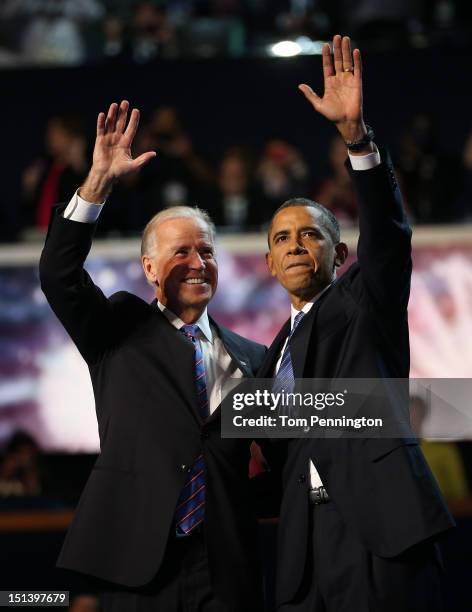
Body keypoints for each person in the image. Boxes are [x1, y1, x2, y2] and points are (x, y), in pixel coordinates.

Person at [39, 100, 266, 611]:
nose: (197, 262)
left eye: (206, 251)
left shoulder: (254, 357)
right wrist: (97, 183)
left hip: (228, 570)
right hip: (139, 568)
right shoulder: (118, 329)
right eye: (181, 251)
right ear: (148, 268)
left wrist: (430, 408)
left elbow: (289, 450)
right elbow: (58, 275)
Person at [258, 35, 454, 611]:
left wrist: (357, 141)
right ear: (269, 263)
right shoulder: (267, 360)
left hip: (382, 537)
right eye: (282, 239)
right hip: (304, 551)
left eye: (311, 234)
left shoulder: (365, 300)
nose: (296, 246)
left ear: (339, 255)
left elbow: (390, 238)